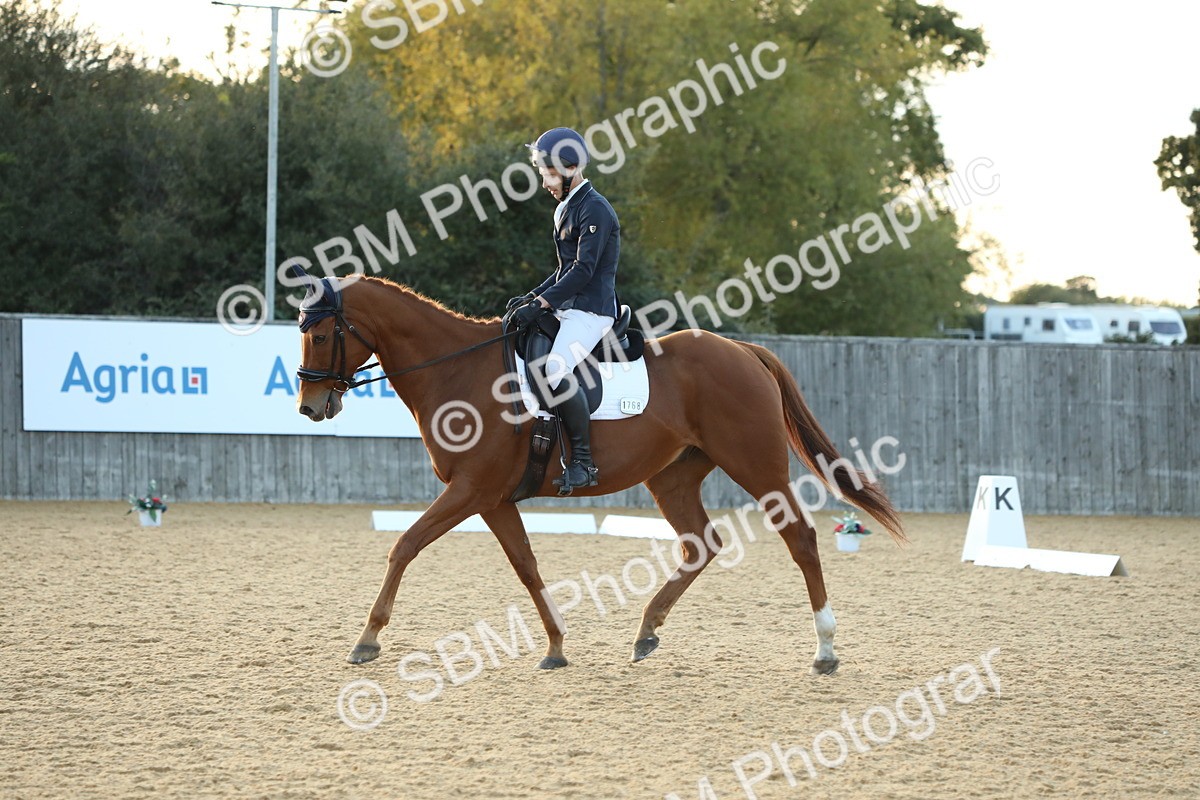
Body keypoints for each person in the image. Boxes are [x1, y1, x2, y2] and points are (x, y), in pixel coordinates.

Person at [508, 127, 620, 494]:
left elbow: (584, 271)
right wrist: (531, 297)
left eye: (549, 174)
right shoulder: (565, 208)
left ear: (571, 168)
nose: (545, 183)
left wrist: (542, 303)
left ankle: (583, 462)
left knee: (555, 368)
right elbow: (562, 270)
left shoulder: (596, 210)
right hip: (569, 307)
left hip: (591, 311)